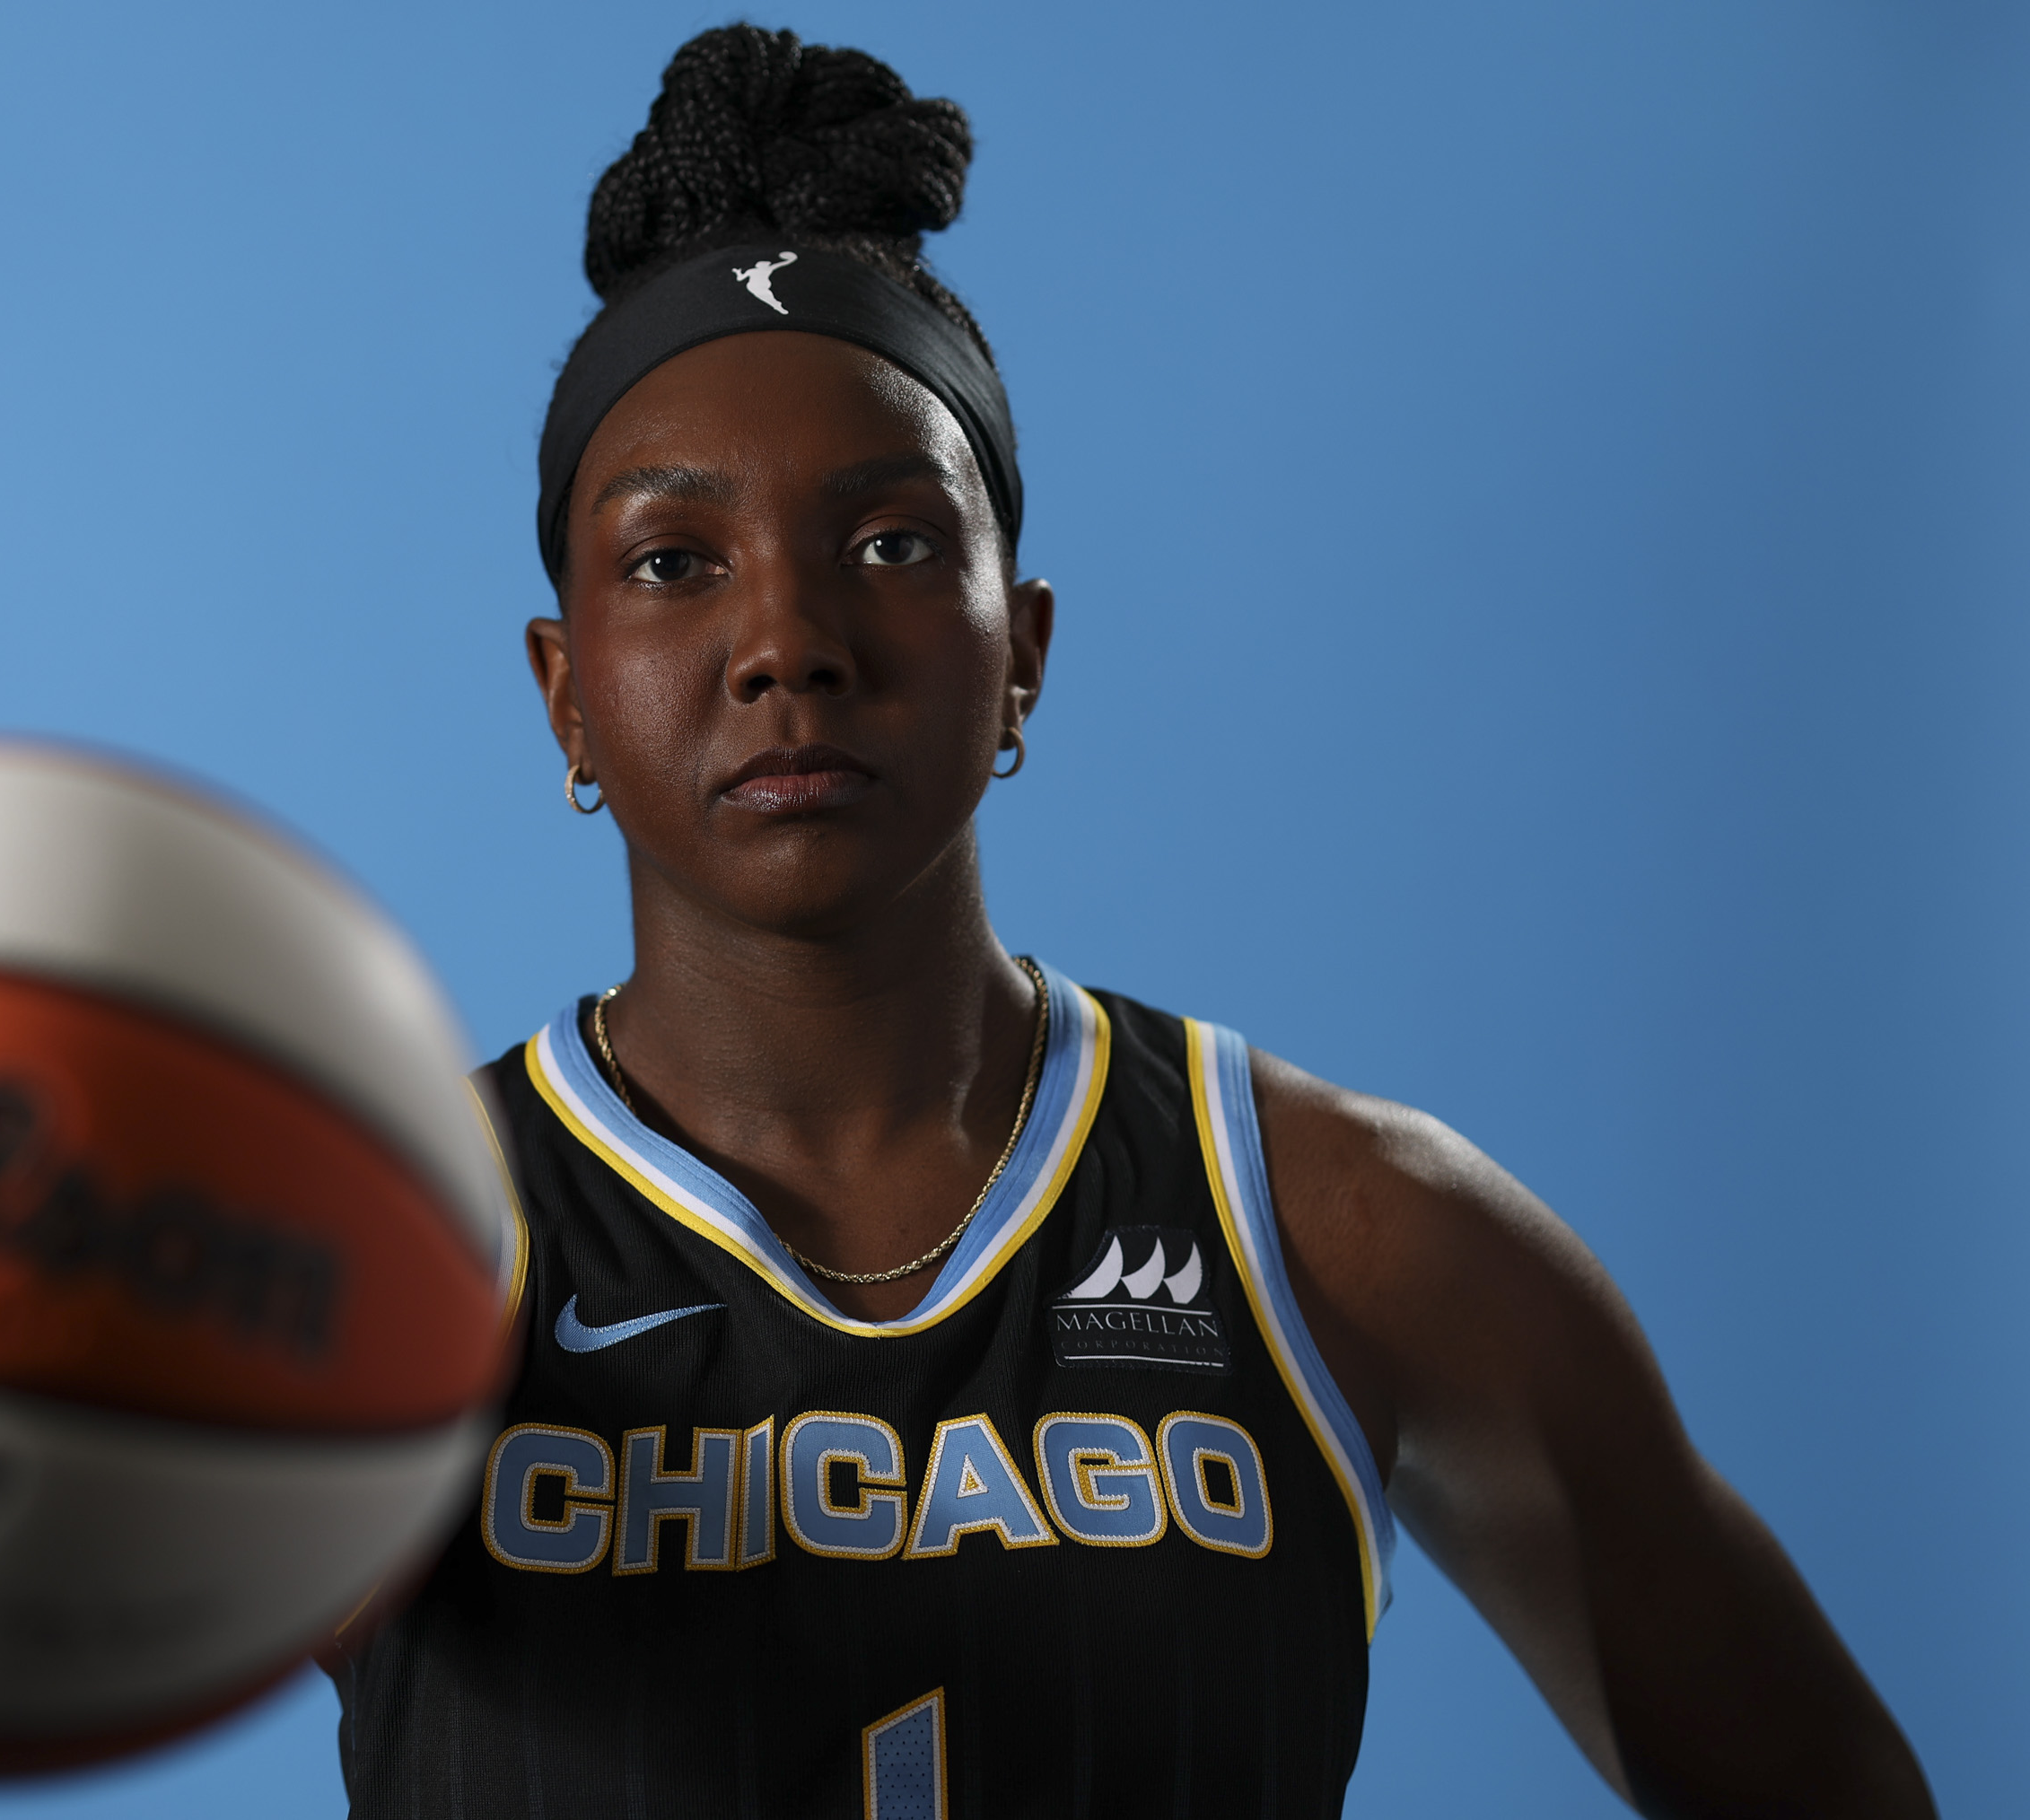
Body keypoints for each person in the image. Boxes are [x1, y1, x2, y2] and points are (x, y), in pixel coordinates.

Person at [325, 26, 1932, 1816]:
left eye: (891, 542)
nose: (789, 641)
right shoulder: (370, 1259)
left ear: (1023, 658)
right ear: (565, 690)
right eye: (673, 562)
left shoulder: (1343, 1235)